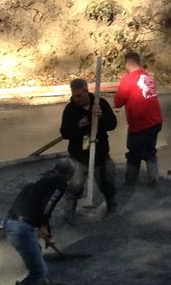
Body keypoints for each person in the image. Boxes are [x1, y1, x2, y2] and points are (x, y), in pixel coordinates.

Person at [1, 160, 74, 285]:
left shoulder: (43, 176)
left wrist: (46, 229)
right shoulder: (60, 182)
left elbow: (35, 201)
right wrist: (44, 225)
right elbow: (48, 206)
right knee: (38, 271)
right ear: (69, 175)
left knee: (37, 253)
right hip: (20, 227)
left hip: (11, 220)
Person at [60, 78, 118, 214]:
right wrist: (78, 126)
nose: (76, 99)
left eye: (79, 96)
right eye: (74, 96)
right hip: (79, 157)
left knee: (108, 184)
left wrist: (101, 117)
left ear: (86, 91)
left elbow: (112, 125)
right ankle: (69, 216)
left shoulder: (100, 104)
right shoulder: (70, 109)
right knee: (74, 188)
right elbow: (65, 133)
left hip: (100, 154)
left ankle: (112, 210)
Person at [113, 50, 164, 188]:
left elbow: (118, 102)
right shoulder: (147, 76)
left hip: (140, 124)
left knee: (134, 152)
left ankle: (130, 181)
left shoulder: (127, 79)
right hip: (155, 121)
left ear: (127, 64)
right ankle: (154, 178)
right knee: (150, 150)